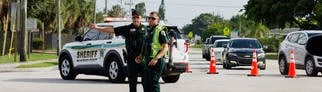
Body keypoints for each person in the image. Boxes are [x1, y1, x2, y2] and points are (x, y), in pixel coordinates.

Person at [89, 9, 146, 92]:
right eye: (134, 17)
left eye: (137, 17)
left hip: (143, 59)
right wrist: (97, 28)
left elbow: (149, 45)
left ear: (141, 18)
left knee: (146, 83)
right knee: (132, 85)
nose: (135, 19)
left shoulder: (146, 30)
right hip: (131, 59)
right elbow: (112, 30)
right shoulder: (127, 28)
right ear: (132, 18)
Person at [139, 11, 169, 92]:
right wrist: (141, 56)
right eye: (149, 18)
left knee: (153, 83)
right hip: (148, 60)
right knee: (145, 83)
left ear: (158, 20)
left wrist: (156, 58)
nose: (151, 20)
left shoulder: (160, 30)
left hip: (156, 61)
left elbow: (165, 47)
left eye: (153, 18)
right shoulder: (148, 30)